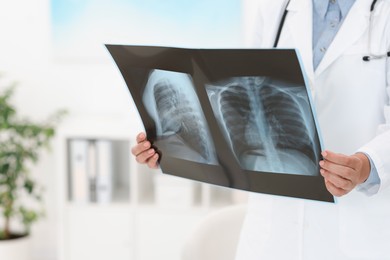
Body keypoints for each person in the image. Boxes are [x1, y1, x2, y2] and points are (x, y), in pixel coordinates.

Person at [131, 0, 390, 259]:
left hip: (358, 233)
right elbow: (244, 102)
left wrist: (368, 164)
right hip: (273, 236)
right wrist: (171, 144)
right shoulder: (276, 9)